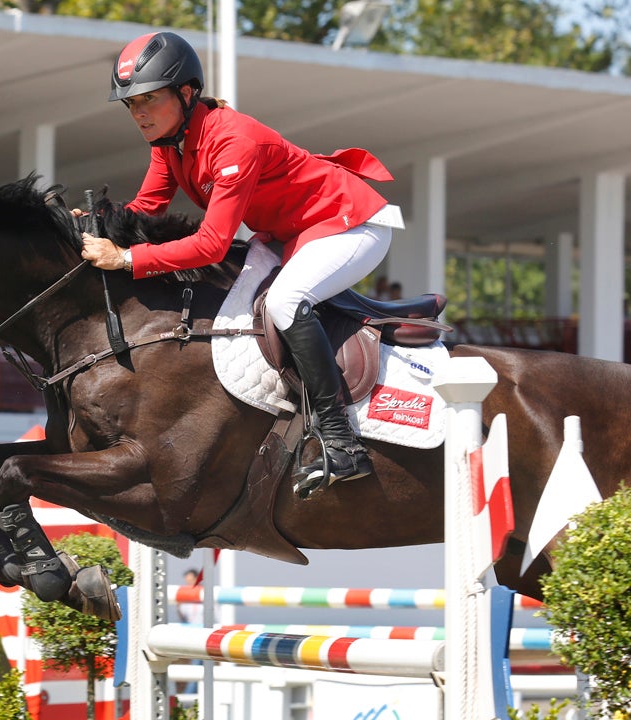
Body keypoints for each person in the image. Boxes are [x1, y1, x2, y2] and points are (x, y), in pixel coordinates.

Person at [80, 31, 403, 491]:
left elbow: (211, 243)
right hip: (289, 235)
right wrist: (97, 222)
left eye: (149, 99)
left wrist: (128, 258)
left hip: (351, 223)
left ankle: (342, 443)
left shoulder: (233, 142)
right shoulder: (169, 144)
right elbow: (146, 208)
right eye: (131, 104)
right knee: (234, 307)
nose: (139, 114)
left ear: (186, 92)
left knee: (284, 304)